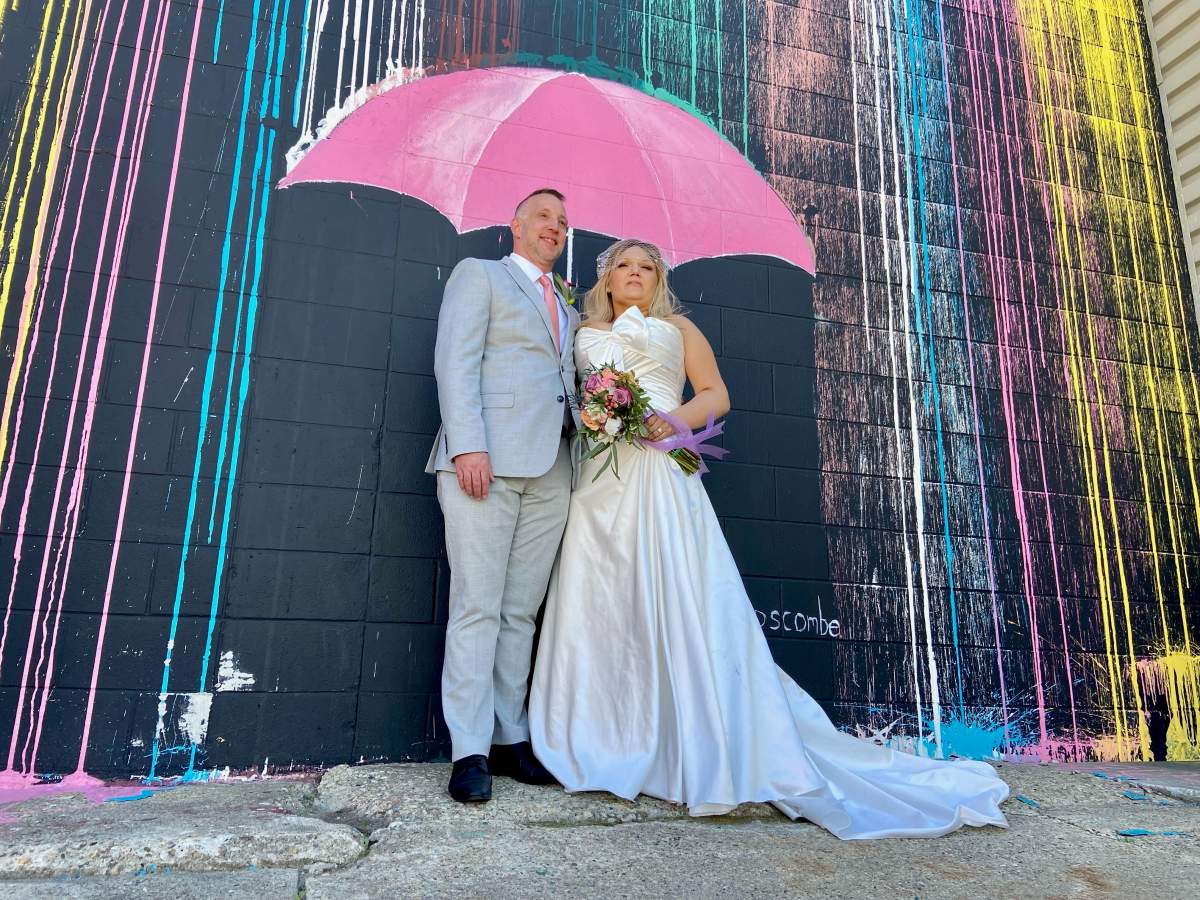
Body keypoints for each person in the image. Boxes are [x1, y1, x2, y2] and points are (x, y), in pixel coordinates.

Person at [528, 238, 1010, 839]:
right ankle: (600, 732)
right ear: (607, 278)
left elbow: (716, 395)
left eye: (645, 267)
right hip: (598, 480)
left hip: (658, 470)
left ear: (658, 278)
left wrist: (668, 420)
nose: (634, 274)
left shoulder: (678, 327)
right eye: (624, 265)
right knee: (600, 596)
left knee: (680, 596)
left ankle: (688, 740)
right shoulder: (581, 329)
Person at [426, 188, 580, 803]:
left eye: (563, 222)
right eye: (544, 216)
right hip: (483, 463)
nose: (556, 227)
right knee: (477, 606)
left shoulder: (566, 303)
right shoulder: (481, 276)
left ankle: (509, 737)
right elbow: (454, 360)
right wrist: (467, 445)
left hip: (552, 469)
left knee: (520, 612)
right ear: (515, 226)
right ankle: (468, 750)